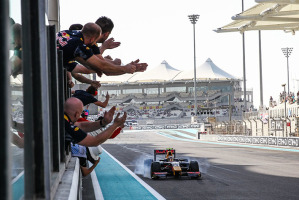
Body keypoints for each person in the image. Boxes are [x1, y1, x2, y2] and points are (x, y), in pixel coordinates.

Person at [56, 23, 147, 78]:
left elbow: (96, 64)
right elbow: (102, 66)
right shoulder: (80, 46)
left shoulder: (69, 33)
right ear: (92, 39)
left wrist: (124, 67)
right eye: (95, 41)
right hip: (47, 64)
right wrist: (125, 69)